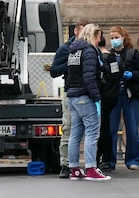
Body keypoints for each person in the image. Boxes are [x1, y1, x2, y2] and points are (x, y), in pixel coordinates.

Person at [65, 23, 110, 181]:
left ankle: (74, 168)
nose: (100, 41)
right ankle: (91, 167)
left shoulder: (74, 51)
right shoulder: (89, 51)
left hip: (72, 96)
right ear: (94, 35)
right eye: (99, 37)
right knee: (92, 132)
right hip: (84, 96)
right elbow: (89, 77)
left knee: (75, 134)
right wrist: (97, 97)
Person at [106, 25, 139, 170]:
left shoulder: (132, 53)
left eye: (116, 37)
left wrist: (133, 75)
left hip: (130, 94)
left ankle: (133, 159)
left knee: (132, 128)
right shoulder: (108, 55)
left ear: (123, 38)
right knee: (111, 129)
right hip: (113, 95)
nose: (114, 40)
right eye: (112, 38)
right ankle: (109, 160)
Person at [50, 19, 88, 178]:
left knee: (91, 131)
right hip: (71, 92)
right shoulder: (65, 49)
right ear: (76, 31)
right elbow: (54, 71)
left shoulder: (90, 48)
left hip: (87, 93)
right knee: (68, 128)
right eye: (83, 31)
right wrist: (70, 64)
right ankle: (65, 164)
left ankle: (92, 163)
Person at [96, 32, 119, 173]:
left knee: (102, 130)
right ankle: (106, 159)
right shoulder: (112, 58)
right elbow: (116, 77)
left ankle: (103, 158)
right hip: (111, 96)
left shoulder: (103, 58)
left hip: (104, 97)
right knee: (105, 129)